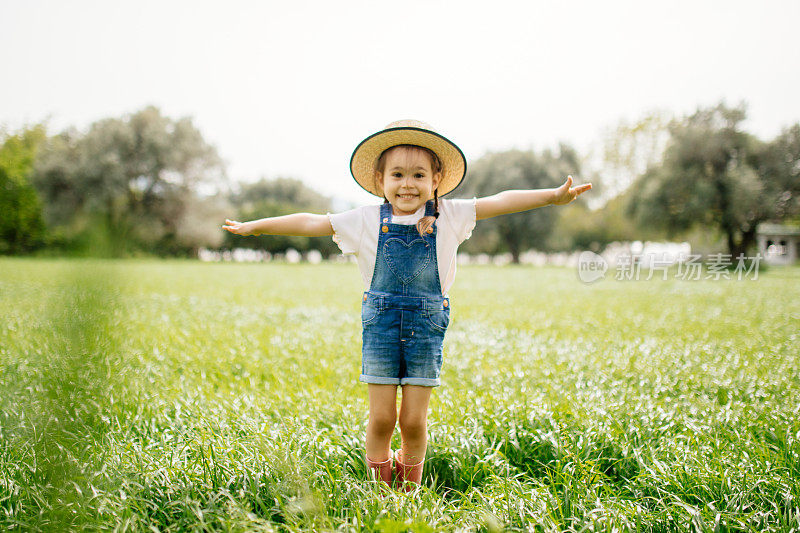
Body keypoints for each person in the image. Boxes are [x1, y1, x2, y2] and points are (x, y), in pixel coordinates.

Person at [222, 119, 592, 492]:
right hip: (380, 331)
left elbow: (501, 200)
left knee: (413, 421)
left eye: (418, 174)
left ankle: (408, 491)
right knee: (382, 418)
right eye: (397, 174)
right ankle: (379, 490)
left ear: (436, 179)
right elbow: (311, 222)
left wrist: (551, 196)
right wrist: (258, 226)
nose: (408, 184)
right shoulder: (365, 220)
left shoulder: (451, 215)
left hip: (426, 330)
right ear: (381, 179)